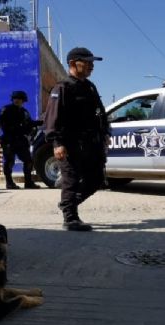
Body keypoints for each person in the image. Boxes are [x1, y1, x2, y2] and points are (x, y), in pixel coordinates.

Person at [43, 47, 110, 231]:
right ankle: (70, 218)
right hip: (70, 144)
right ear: (73, 64)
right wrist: (57, 143)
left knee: (96, 179)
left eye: (92, 63)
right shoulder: (63, 87)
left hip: (91, 143)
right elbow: (52, 118)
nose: (91, 66)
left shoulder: (90, 87)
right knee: (71, 180)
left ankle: (68, 204)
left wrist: (105, 133)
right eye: (87, 62)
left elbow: (100, 113)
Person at [0, 90, 42, 190]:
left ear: (23, 100)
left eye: (19, 99)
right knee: (9, 161)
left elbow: (30, 123)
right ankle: (9, 183)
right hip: (8, 139)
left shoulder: (24, 112)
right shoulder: (5, 109)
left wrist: (39, 123)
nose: (17, 100)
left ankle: (28, 183)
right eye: (15, 98)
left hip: (21, 140)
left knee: (28, 161)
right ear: (12, 99)